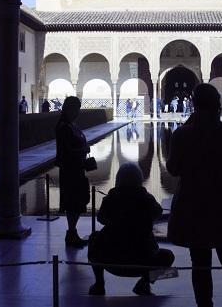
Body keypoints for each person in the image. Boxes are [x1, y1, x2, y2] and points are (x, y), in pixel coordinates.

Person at [167, 84, 222, 307]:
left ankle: (205, 305)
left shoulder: (182, 135)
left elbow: (173, 168)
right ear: (218, 104)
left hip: (194, 205)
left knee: (200, 263)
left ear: (194, 104)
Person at [88, 163, 175, 296]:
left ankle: (99, 284)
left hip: (112, 260)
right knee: (168, 256)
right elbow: (158, 213)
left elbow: (101, 218)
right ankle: (145, 282)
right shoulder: (147, 199)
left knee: (94, 238)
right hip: (143, 261)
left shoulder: (111, 198)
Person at [55, 96, 91, 248]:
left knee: (78, 202)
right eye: (74, 108)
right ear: (67, 109)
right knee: (72, 203)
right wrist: (83, 149)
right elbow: (67, 150)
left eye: (78, 108)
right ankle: (71, 233)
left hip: (77, 170)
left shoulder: (71, 125)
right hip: (70, 171)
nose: (77, 112)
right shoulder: (64, 127)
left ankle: (72, 232)